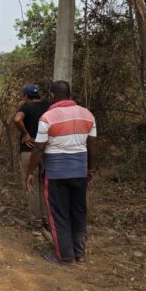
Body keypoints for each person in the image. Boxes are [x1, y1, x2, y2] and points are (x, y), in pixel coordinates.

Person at [26, 80, 97, 265]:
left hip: (56, 174)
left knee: (59, 214)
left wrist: (30, 172)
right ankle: (79, 253)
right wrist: (90, 168)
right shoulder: (87, 114)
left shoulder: (47, 117)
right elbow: (92, 144)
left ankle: (65, 256)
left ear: (52, 95)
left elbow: (39, 148)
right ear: (70, 94)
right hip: (79, 172)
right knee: (78, 213)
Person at [14, 84, 50, 230]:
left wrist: (26, 133)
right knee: (43, 186)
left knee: (31, 185)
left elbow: (17, 119)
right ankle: (45, 219)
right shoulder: (48, 106)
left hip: (29, 151)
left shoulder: (26, 107)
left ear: (26, 96)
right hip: (45, 151)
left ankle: (35, 221)